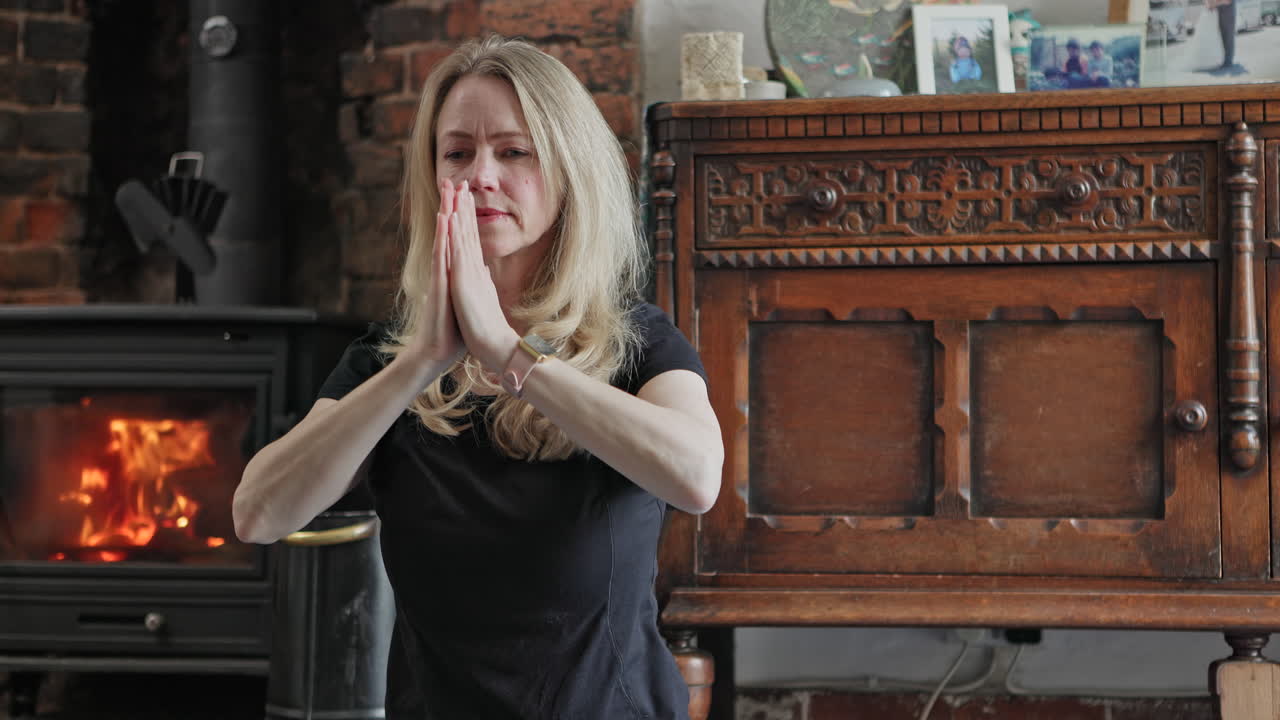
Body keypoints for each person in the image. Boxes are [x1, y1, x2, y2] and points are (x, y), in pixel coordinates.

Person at [232, 35, 724, 719]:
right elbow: (258, 513)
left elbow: (697, 476)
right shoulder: (387, 364)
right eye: (457, 152)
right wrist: (420, 364)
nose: (479, 175)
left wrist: (506, 352)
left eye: (514, 151)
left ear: (568, 171)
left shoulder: (636, 343)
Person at [1204, 0, 1248, 75]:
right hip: (1217, 12)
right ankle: (1221, 60)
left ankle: (1228, 61)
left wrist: (1214, 4)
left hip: (1228, 12)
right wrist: (1209, 4)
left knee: (1228, 37)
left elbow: (1228, 1)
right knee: (1220, 37)